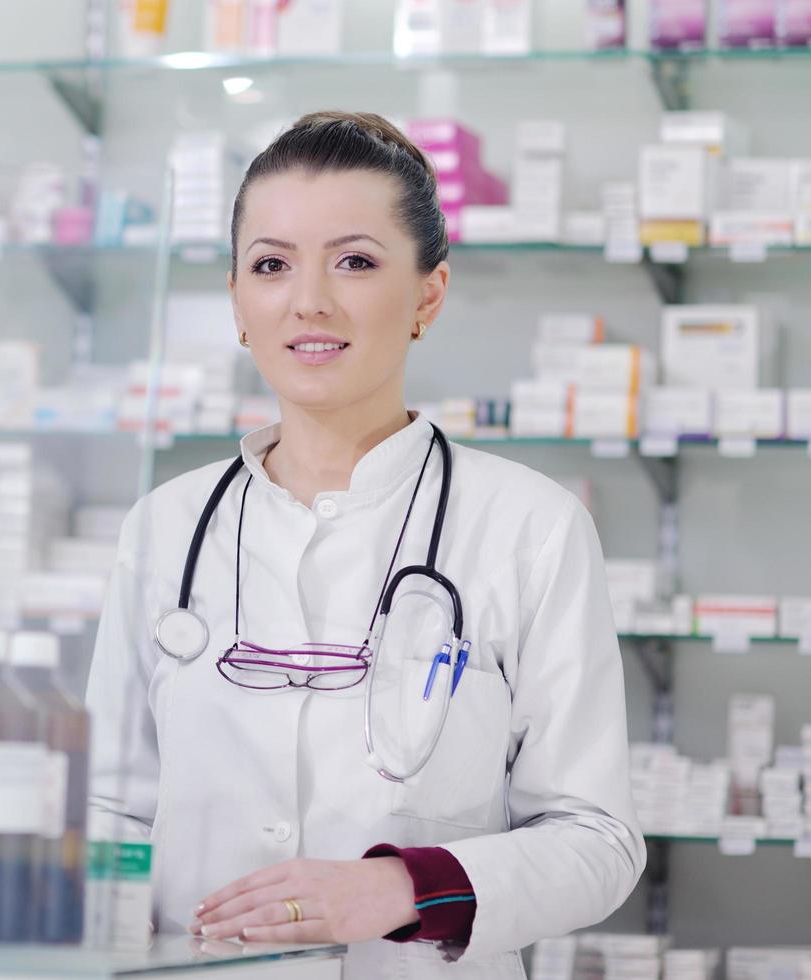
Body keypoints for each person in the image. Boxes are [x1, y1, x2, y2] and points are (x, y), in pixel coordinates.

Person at [85, 111, 646, 979]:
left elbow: (596, 839)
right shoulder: (165, 526)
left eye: (354, 261)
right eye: (270, 265)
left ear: (427, 295)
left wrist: (403, 889)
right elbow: (110, 809)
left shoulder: (527, 525)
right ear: (237, 301)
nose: (307, 300)